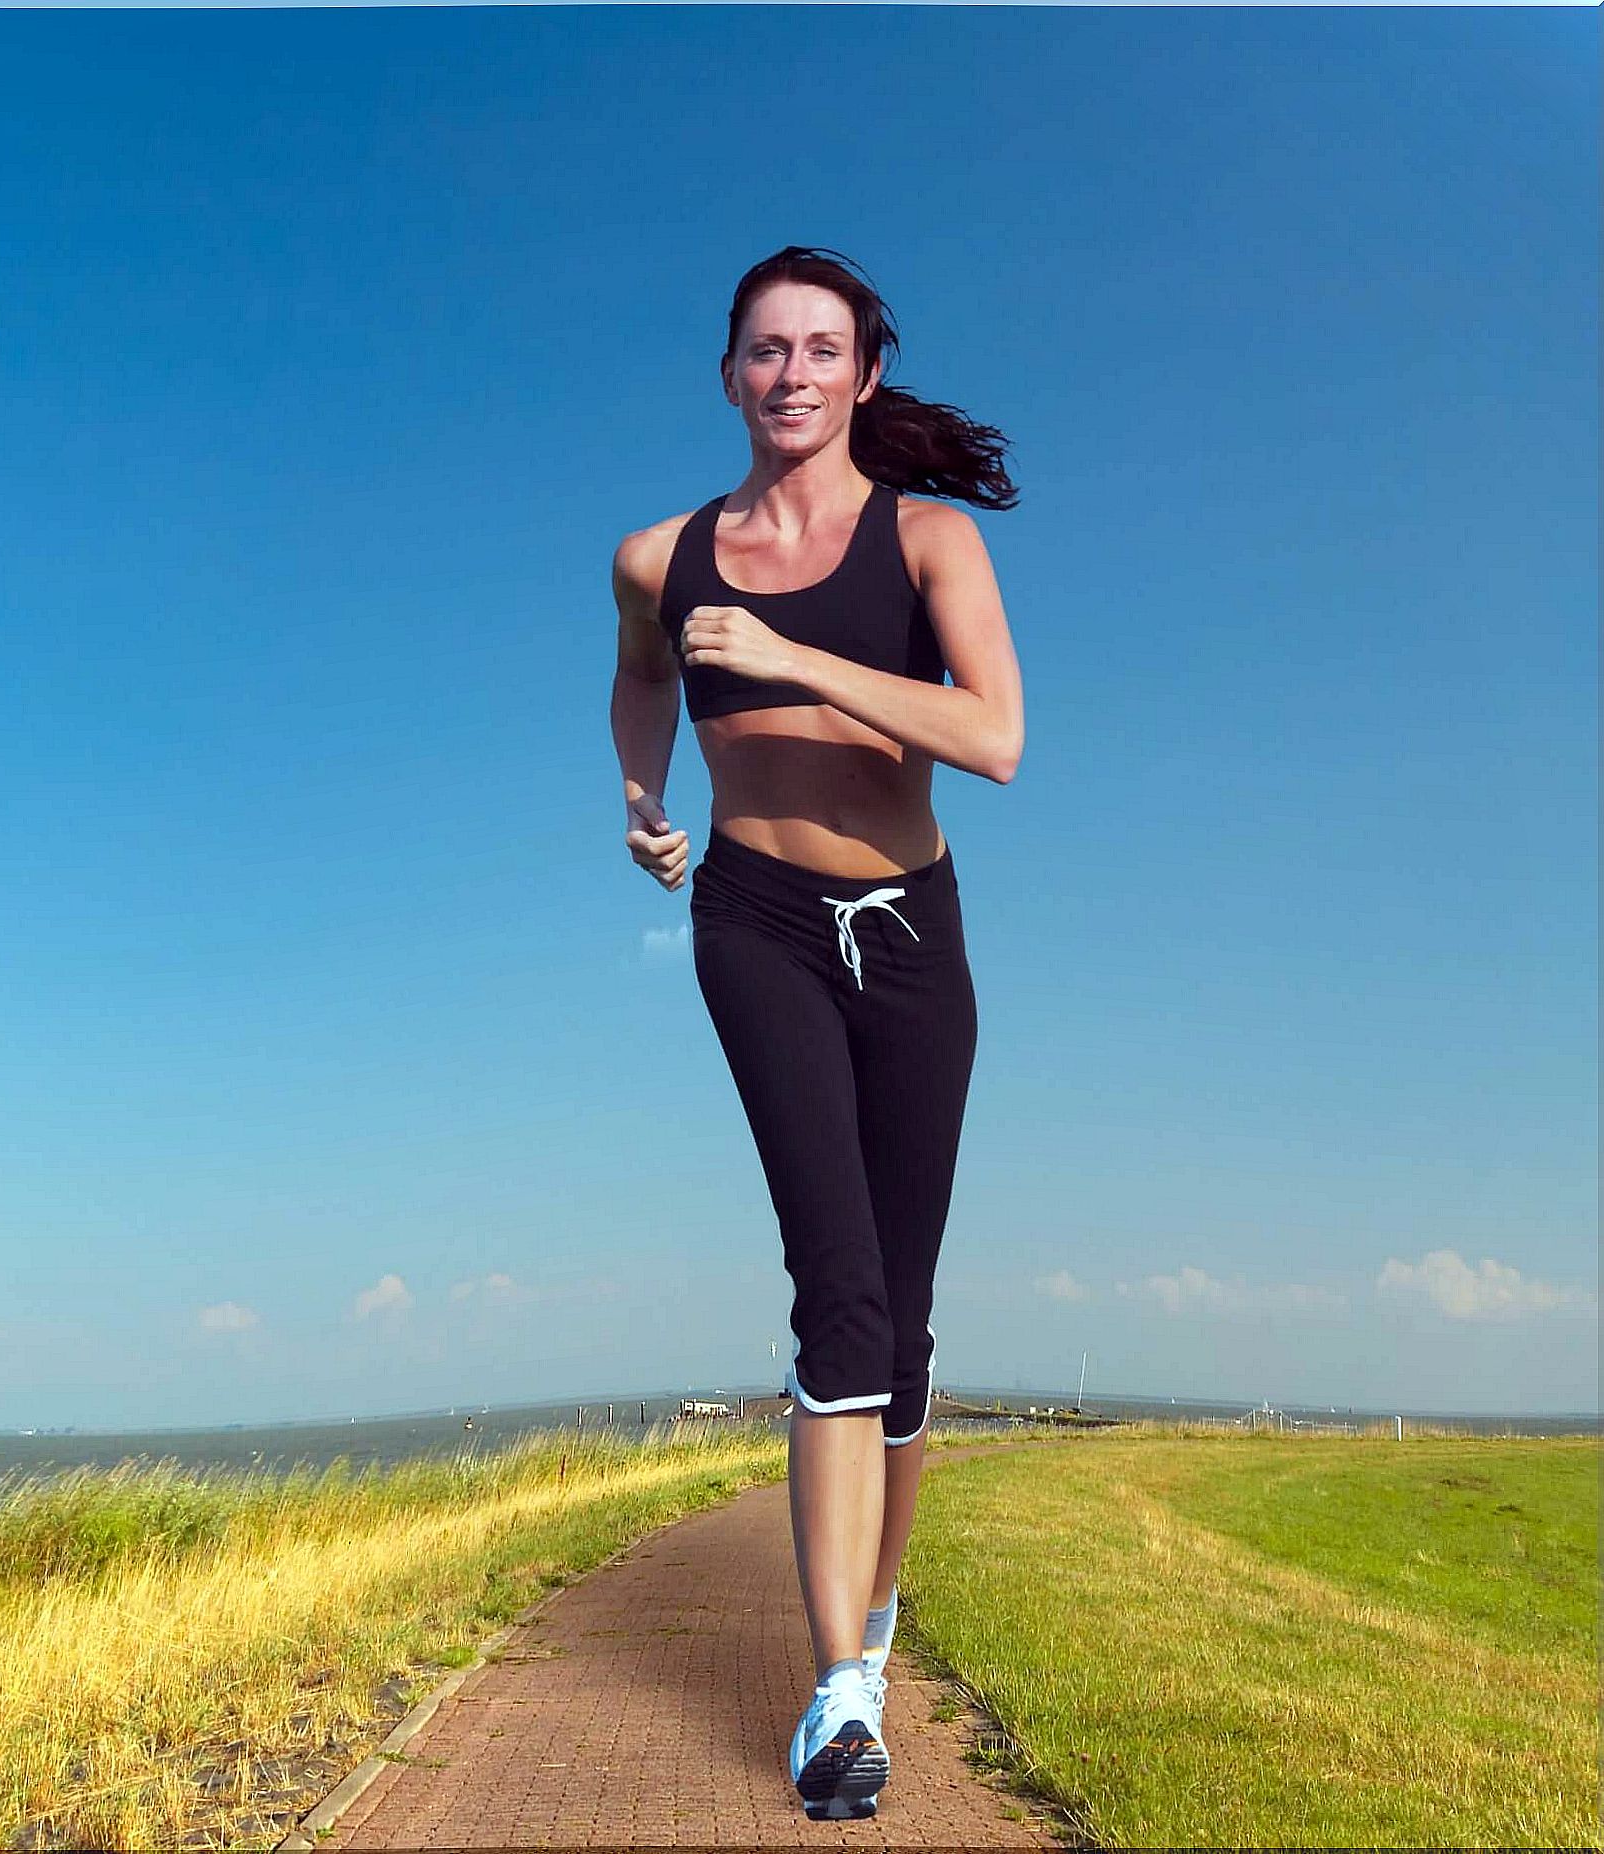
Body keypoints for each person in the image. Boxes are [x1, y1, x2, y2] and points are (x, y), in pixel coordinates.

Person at [608, 245, 1023, 1822]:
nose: (791, 372)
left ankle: (875, 1613)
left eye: (821, 349)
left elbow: (995, 737)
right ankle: (838, 1690)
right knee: (839, 1289)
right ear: (729, 375)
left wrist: (792, 659)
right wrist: (644, 796)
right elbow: (640, 685)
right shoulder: (662, 556)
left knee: (904, 1325)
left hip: (914, 933)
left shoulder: (928, 541)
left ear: (861, 375)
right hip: (757, 923)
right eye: (764, 349)